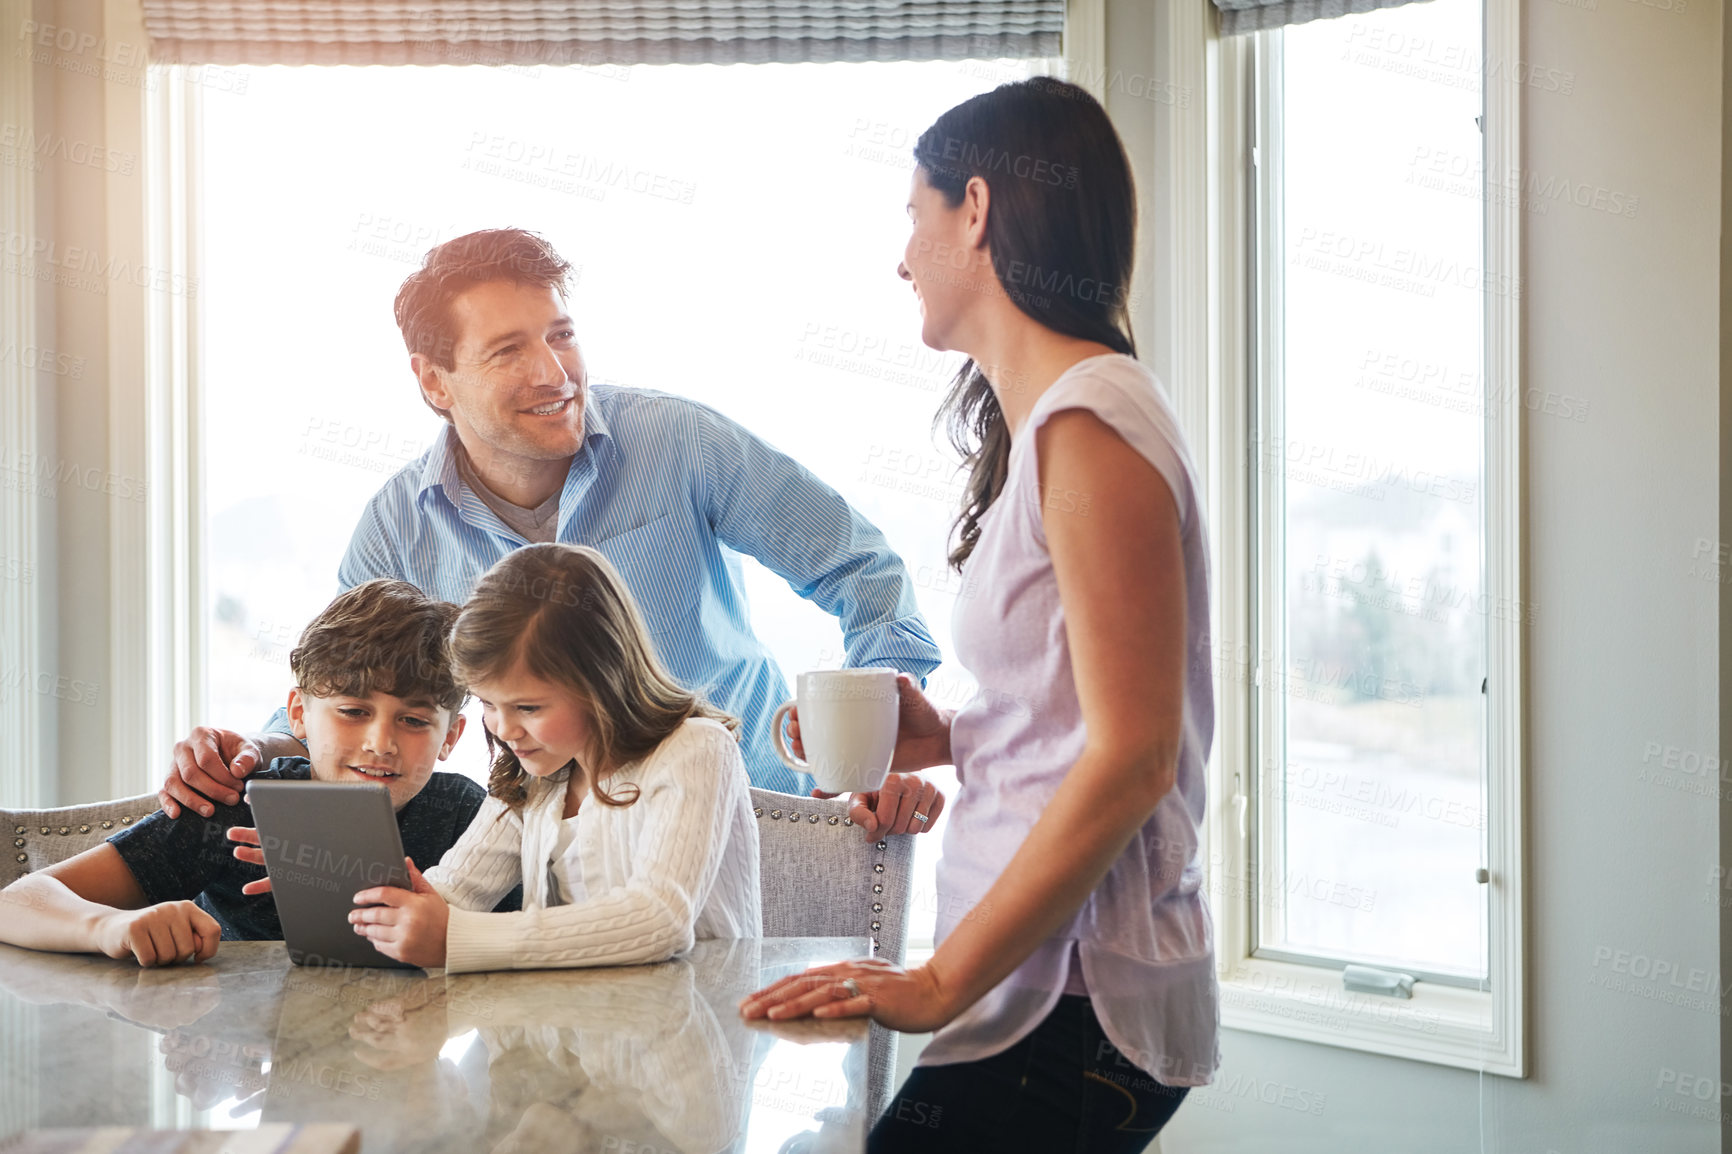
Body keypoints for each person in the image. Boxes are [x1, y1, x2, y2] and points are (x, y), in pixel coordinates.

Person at [739, 77, 1219, 1152]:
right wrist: (946, 735)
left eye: (913, 216)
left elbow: (1137, 755)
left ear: (978, 210)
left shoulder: (1092, 424)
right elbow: (1086, 711)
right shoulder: (1059, 424)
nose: (901, 255)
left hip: (1076, 991)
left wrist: (934, 980)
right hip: (1042, 983)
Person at [157, 228, 945, 835]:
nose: (554, 373)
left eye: (560, 335)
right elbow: (349, 693)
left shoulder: (680, 441)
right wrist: (249, 753)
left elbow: (862, 571)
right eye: (509, 350)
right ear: (433, 381)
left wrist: (867, 748)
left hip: (754, 814)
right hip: (553, 848)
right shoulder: (398, 529)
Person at [0, 580, 498, 966]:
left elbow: (535, 940)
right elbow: (18, 901)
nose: (380, 743)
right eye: (352, 711)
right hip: (241, 1064)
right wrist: (109, 927)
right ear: (298, 714)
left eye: (413, 721)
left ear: (451, 736)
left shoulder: (471, 818)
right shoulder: (239, 806)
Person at [344, 543, 760, 973]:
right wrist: (391, 911)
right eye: (488, 703)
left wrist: (454, 936)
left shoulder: (697, 749)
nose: (503, 730)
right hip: (569, 1028)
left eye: (528, 708)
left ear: (601, 682)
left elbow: (659, 919)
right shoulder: (536, 774)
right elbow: (453, 891)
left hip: (692, 1024)